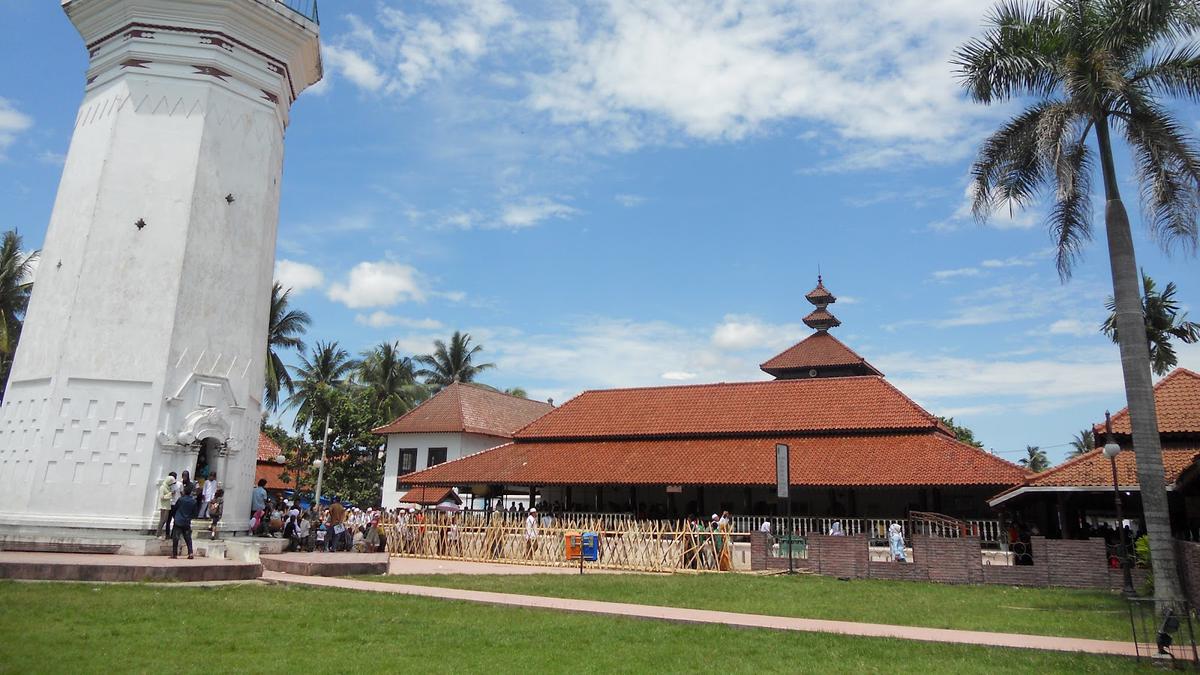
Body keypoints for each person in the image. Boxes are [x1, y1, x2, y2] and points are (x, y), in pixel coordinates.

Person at [171, 483, 200, 559]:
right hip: (186, 521)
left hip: (178, 521)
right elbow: (195, 513)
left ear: (184, 491)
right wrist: (189, 517)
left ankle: (174, 554)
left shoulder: (180, 499)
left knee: (176, 538)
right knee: (188, 538)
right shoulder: (193, 501)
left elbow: (175, 509)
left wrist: (175, 517)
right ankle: (190, 553)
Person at [155, 474, 176, 538]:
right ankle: (158, 534)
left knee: (165, 520)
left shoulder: (168, 487)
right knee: (162, 520)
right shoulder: (162, 487)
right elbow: (162, 497)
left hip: (167, 506)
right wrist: (170, 494)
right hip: (163, 506)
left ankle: (160, 533)